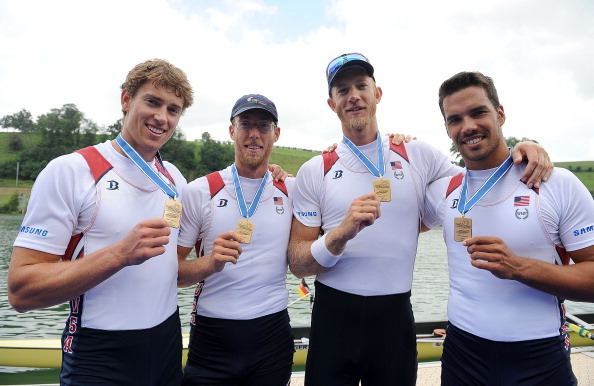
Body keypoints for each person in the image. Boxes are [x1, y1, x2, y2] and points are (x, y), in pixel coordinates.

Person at [287, 53, 553, 386]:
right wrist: (339, 235)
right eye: (342, 90)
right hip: (332, 318)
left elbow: (482, 179)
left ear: (377, 93)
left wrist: (523, 148)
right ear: (332, 103)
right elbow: (298, 264)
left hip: (393, 318)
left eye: (361, 85)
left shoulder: (418, 154)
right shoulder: (316, 169)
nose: (353, 95)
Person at [7, 59, 194, 385]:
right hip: (100, 353)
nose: (162, 117)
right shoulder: (71, 171)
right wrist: (119, 255)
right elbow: (21, 291)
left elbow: (173, 267)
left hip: (166, 344)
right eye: (152, 101)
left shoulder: (174, 178)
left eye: (173, 109)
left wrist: (276, 174)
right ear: (126, 100)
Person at [422, 71, 594, 385]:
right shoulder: (445, 190)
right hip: (463, 355)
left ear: (500, 114)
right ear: (447, 128)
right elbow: (389, 224)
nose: (468, 126)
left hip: (538, 357)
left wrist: (518, 267)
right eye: (455, 119)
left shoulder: (554, 183)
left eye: (478, 112)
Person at [177, 94, 295, 386]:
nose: (254, 134)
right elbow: (173, 272)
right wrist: (209, 263)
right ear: (232, 130)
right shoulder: (200, 191)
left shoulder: (293, 189)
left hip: (272, 334)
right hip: (213, 336)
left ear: (276, 134)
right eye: (246, 124)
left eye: (264, 126)